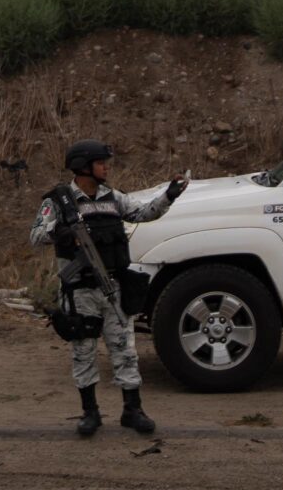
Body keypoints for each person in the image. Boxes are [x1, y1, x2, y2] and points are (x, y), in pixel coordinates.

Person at [29, 138, 189, 437]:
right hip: (79, 292)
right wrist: (61, 233)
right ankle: (90, 412)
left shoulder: (112, 198)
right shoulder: (59, 201)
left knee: (125, 350)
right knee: (84, 351)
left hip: (113, 288)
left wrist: (170, 195)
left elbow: (143, 213)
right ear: (83, 167)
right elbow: (36, 235)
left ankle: (133, 410)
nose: (106, 167)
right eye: (101, 162)